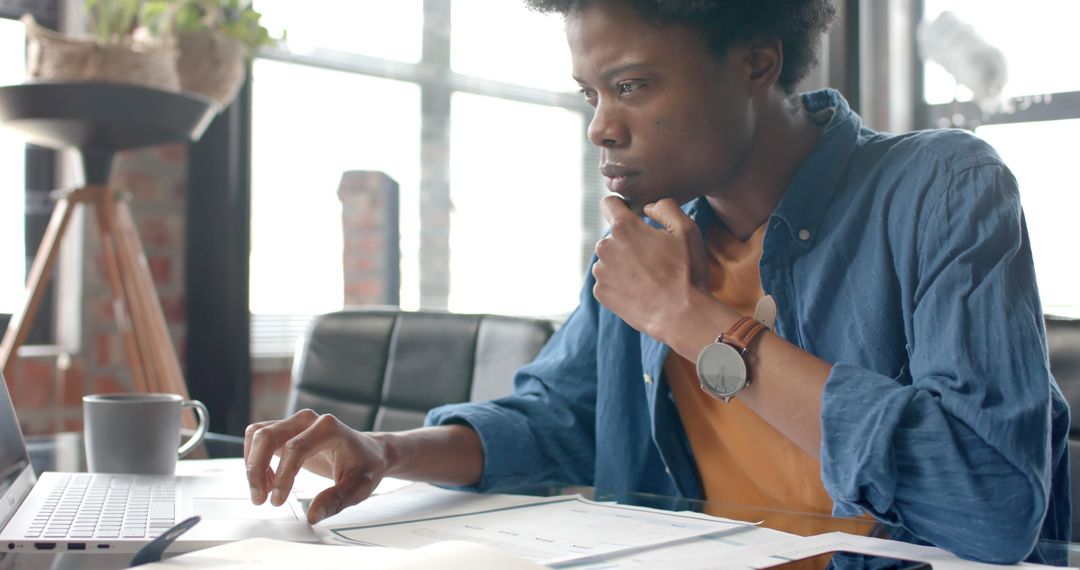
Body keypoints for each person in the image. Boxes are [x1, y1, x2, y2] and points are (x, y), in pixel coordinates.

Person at [243, 0, 1070, 563]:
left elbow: (991, 501)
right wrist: (386, 451)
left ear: (755, 61)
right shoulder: (644, 242)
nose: (600, 124)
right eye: (590, 92)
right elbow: (559, 419)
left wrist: (694, 320)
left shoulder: (941, 189)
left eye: (632, 85)